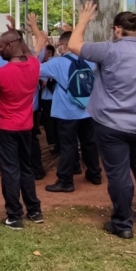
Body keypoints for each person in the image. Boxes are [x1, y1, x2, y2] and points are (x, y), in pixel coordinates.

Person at [69, 4, 136, 239]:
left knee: (119, 174)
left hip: (111, 124)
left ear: (117, 30)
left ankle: (123, 223)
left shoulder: (109, 51)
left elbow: (73, 45)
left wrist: (84, 20)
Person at [27, 18, 101, 193]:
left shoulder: (57, 63)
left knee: (67, 145)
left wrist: (36, 48)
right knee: (89, 143)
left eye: (60, 44)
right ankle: (94, 173)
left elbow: (32, 68)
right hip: (87, 110)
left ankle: (66, 180)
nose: (59, 47)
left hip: (66, 112)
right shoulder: (90, 61)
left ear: (66, 46)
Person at [0, 28, 44, 230]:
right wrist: (18, 37)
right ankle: (34, 210)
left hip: (5, 126)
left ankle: (14, 215)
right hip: (25, 125)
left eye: (2, 46)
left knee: (10, 171)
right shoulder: (34, 65)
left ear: (10, 46)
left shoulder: (1, 73)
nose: (0, 50)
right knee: (25, 168)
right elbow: (28, 53)